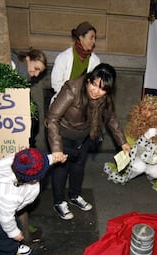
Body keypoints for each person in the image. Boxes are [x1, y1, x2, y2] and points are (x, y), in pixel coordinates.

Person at [46, 63, 130, 220]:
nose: (96, 91)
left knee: (78, 167)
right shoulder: (72, 89)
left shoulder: (105, 97)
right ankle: (59, 202)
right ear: (89, 80)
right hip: (63, 134)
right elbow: (52, 118)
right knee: (61, 169)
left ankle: (75, 196)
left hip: (84, 135)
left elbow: (111, 118)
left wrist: (122, 142)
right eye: (94, 84)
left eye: (102, 88)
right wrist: (57, 148)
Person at [0, 147, 66, 255]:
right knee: (5, 243)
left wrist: (53, 158)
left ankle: (15, 246)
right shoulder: (9, 193)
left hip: (4, 212)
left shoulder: (20, 162)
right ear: (32, 179)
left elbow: (36, 162)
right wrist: (13, 233)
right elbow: (5, 218)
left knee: (16, 226)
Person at [104, 94, 157, 194]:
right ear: (139, 109)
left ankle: (149, 174)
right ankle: (128, 176)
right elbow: (129, 147)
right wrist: (145, 138)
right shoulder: (134, 122)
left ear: (156, 112)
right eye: (143, 108)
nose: (146, 112)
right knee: (139, 167)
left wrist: (152, 146)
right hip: (136, 155)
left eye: (150, 110)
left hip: (153, 157)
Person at [50, 21, 100, 104]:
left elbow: (95, 85)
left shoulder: (95, 60)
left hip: (83, 104)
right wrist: (70, 97)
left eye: (95, 38)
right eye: (91, 37)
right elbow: (56, 83)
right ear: (81, 37)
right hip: (62, 101)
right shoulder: (64, 57)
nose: (94, 41)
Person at [12, 48, 48, 149]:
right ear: (28, 58)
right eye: (36, 68)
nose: (36, 74)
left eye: (39, 72)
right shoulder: (13, 64)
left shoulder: (23, 74)